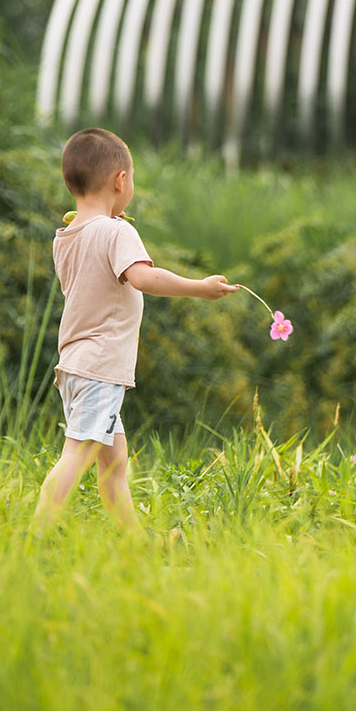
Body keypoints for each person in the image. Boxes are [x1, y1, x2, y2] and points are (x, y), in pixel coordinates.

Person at [34, 128, 238, 531]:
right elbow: (143, 278)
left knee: (114, 464)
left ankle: (137, 546)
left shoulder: (67, 236)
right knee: (78, 454)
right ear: (120, 180)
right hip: (100, 367)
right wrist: (200, 288)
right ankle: (34, 535)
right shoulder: (117, 231)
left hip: (75, 365)